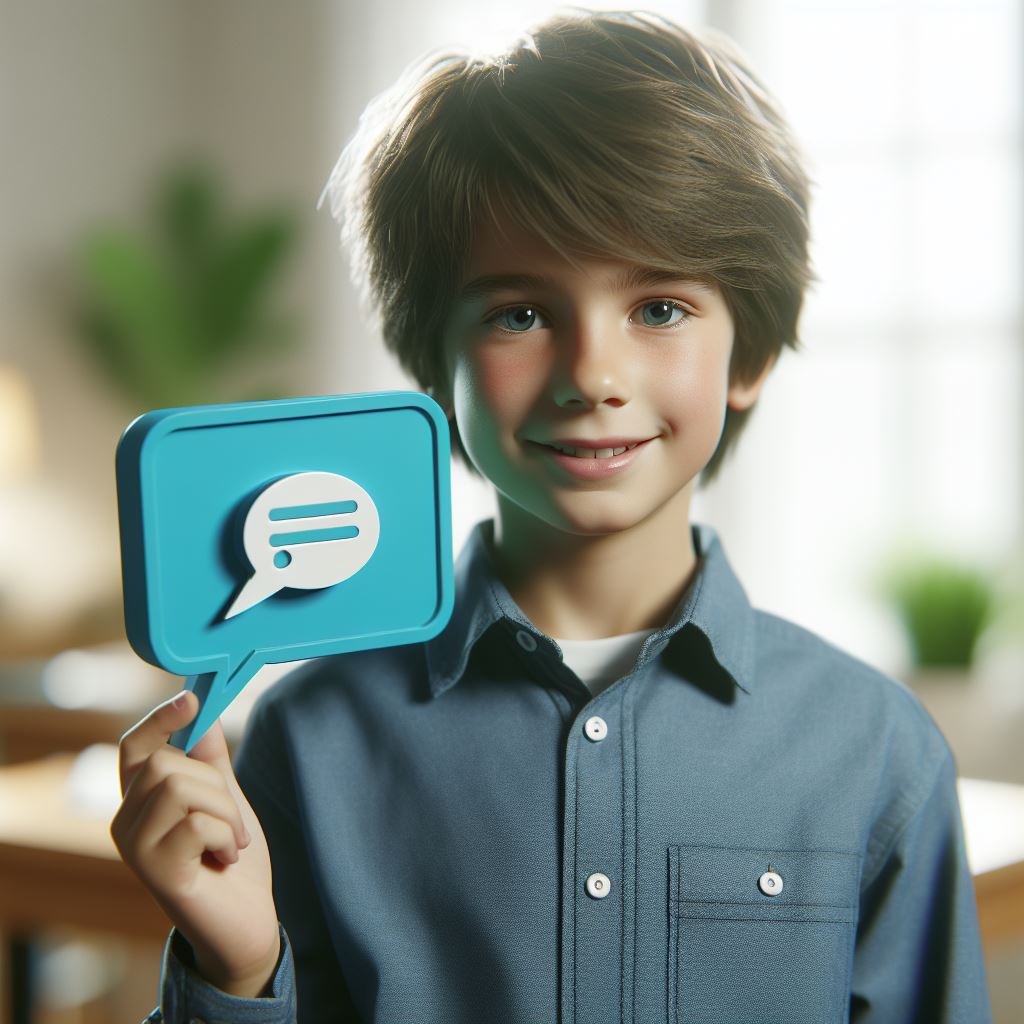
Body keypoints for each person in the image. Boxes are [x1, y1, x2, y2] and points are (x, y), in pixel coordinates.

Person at [111, 9, 993, 1022]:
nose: (591, 374)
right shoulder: (307, 740)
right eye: (519, 313)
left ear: (746, 355)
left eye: (658, 308)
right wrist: (237, 973)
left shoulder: (876, 751)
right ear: (430, 373)